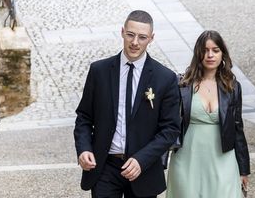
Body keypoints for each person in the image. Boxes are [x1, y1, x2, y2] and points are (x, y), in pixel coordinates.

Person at [74, 10, 181, 198]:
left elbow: (170, 129)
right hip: (104, 166)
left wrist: (142, 160)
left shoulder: (165, 78)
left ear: (151, 38)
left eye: (142, 37)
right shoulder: (99, 71)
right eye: (130, 35)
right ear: (122, 32)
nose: (135, 42)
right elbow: (84, 117)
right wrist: (84, 149)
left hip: (143, 168)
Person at [166, 30, 250, 198]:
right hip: (187, 159)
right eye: (205, 50)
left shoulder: (233, 87)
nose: (210, 55)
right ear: (198, 54)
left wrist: (243, 170)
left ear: (222, 54)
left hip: (223, 157)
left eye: (215, 50)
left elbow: (238, 128)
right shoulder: (182, 84)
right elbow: (167, 123)